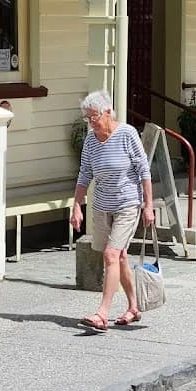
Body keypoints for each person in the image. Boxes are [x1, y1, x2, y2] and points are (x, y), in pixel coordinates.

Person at [71, 90, 155, 332]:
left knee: (110, 254)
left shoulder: (127, 134)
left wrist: (148, 206)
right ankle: (133, 307)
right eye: (87, 118)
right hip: (102, 205)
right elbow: (85, 173)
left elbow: (144, 171)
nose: (91, 122)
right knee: (119, 257)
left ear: (108, 112)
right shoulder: (90, 140)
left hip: (127, 204)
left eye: (94, 117)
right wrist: (77, 205)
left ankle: (102, 313)